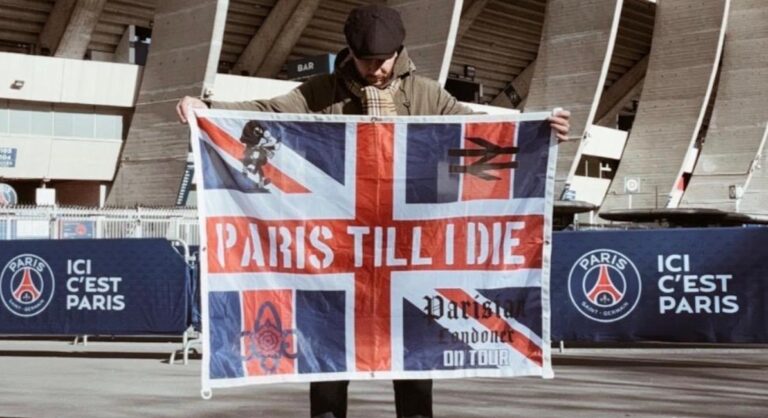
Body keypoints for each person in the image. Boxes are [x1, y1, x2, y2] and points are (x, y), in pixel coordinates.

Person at [178, 5, 570, 418]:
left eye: (383, 61)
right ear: (349, 51)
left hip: (407, 252)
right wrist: (206, 110)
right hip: (341, 254)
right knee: (329, 358)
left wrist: (539, 129)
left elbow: (475, 135)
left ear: (399, 52)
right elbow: (266, 114)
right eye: (367, 61)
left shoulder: (425, 94)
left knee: (416, 361)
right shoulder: (320, 92)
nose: (376, 71)